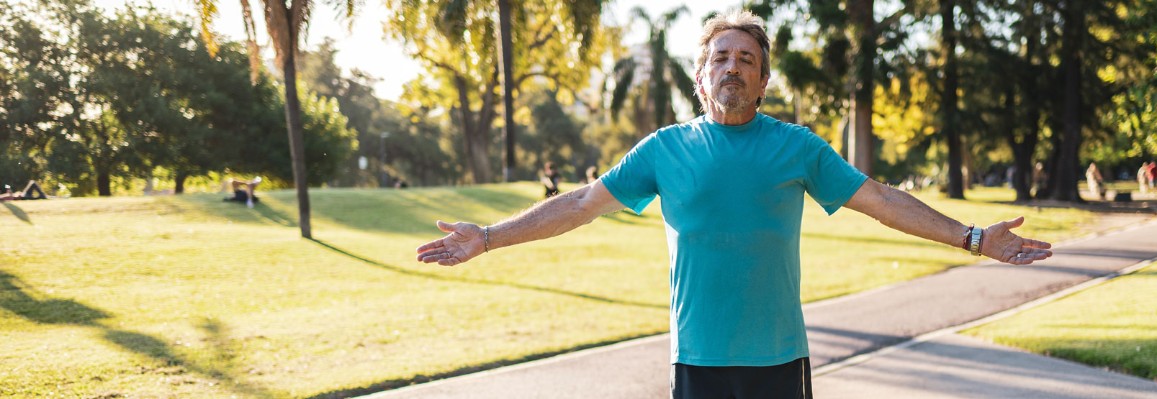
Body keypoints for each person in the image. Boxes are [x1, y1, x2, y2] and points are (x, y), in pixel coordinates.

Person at [415, 10, 1053, 399]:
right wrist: (488, 237)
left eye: (746, 59)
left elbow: (880, 199)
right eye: (720, 57)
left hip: (778, 361)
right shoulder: (663, 150)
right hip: (697, 362)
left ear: (763, 80)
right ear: (701, 77)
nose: (733, 67)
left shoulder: (797, 148)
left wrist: (974, 238)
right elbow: (581, 203)